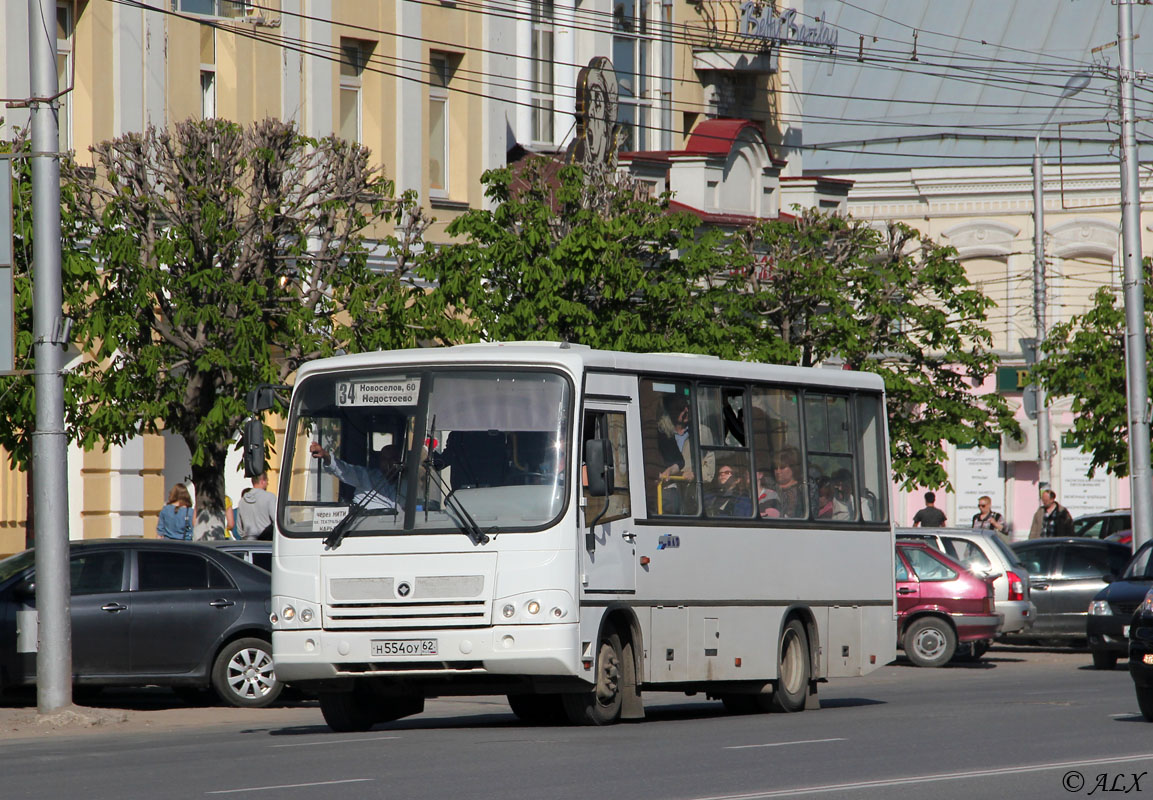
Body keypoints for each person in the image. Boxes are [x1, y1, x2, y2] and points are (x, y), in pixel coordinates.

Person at [310, 441, 404, 510]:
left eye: (393, 458)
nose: (389, 463)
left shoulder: (410, 485)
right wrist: (325, 455)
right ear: (380, 461)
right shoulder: (367, 477)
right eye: (384, 459)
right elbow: (343, 470)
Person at [235, 472, 277, 540]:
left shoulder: (242, 501)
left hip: (248, 541)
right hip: (266, 541)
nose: (267, 484)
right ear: (262, 481)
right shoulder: (270, 497)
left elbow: (239, 528)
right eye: (267, 481)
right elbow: (276, 520)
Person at [771, 447, 805, 518]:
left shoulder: (803, 489)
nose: (778, 471)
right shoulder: (770, 488)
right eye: (775, 468)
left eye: (782, 467)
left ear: (793, 468)